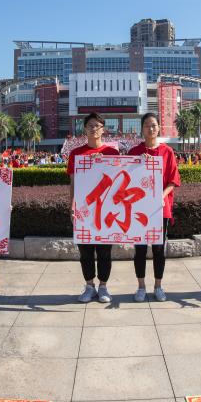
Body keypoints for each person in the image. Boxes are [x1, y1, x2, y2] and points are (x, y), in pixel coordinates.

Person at [128, 112, 181, 302]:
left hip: (160, 208)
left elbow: (173, 181)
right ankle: (141, 287)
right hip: (139, 209)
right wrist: (138, 163)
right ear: (142, 129)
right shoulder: (134, 152)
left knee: (159, 248)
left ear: (158, 128)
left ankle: (158, 286)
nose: (151, 129)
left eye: (154, 125)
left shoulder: (167, 152)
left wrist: (160, 196)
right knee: (140, 249)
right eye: (147, 125)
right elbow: (125, 177)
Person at [69, 112, 121, 303]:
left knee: (105, 250)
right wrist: (72, 206)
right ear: (85, 129)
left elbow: (119, 180)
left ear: (103, 129)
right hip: (84, 209)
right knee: (85, 251)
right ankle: (89, 286)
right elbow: (73, 183)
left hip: (106, 210)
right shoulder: (76, 154)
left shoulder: (112, 153)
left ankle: (103, 287)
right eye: (90, 126)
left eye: (97, 126)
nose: (93, 129)